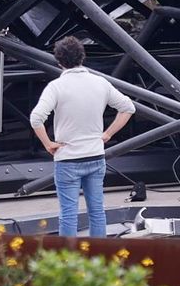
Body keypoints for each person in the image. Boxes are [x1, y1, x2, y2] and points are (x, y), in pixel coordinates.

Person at [29, 36, 135, 237]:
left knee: (68, 215)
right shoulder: (100, 83)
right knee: (97, 212)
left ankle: (69, 263)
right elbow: (128, 108)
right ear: (82, 57)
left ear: (59, 61)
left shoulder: (56, 87)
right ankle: (98, 259)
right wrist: (107, 134)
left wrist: (47, 143)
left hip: (68, 158)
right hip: (95, 155)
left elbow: (36, 118)